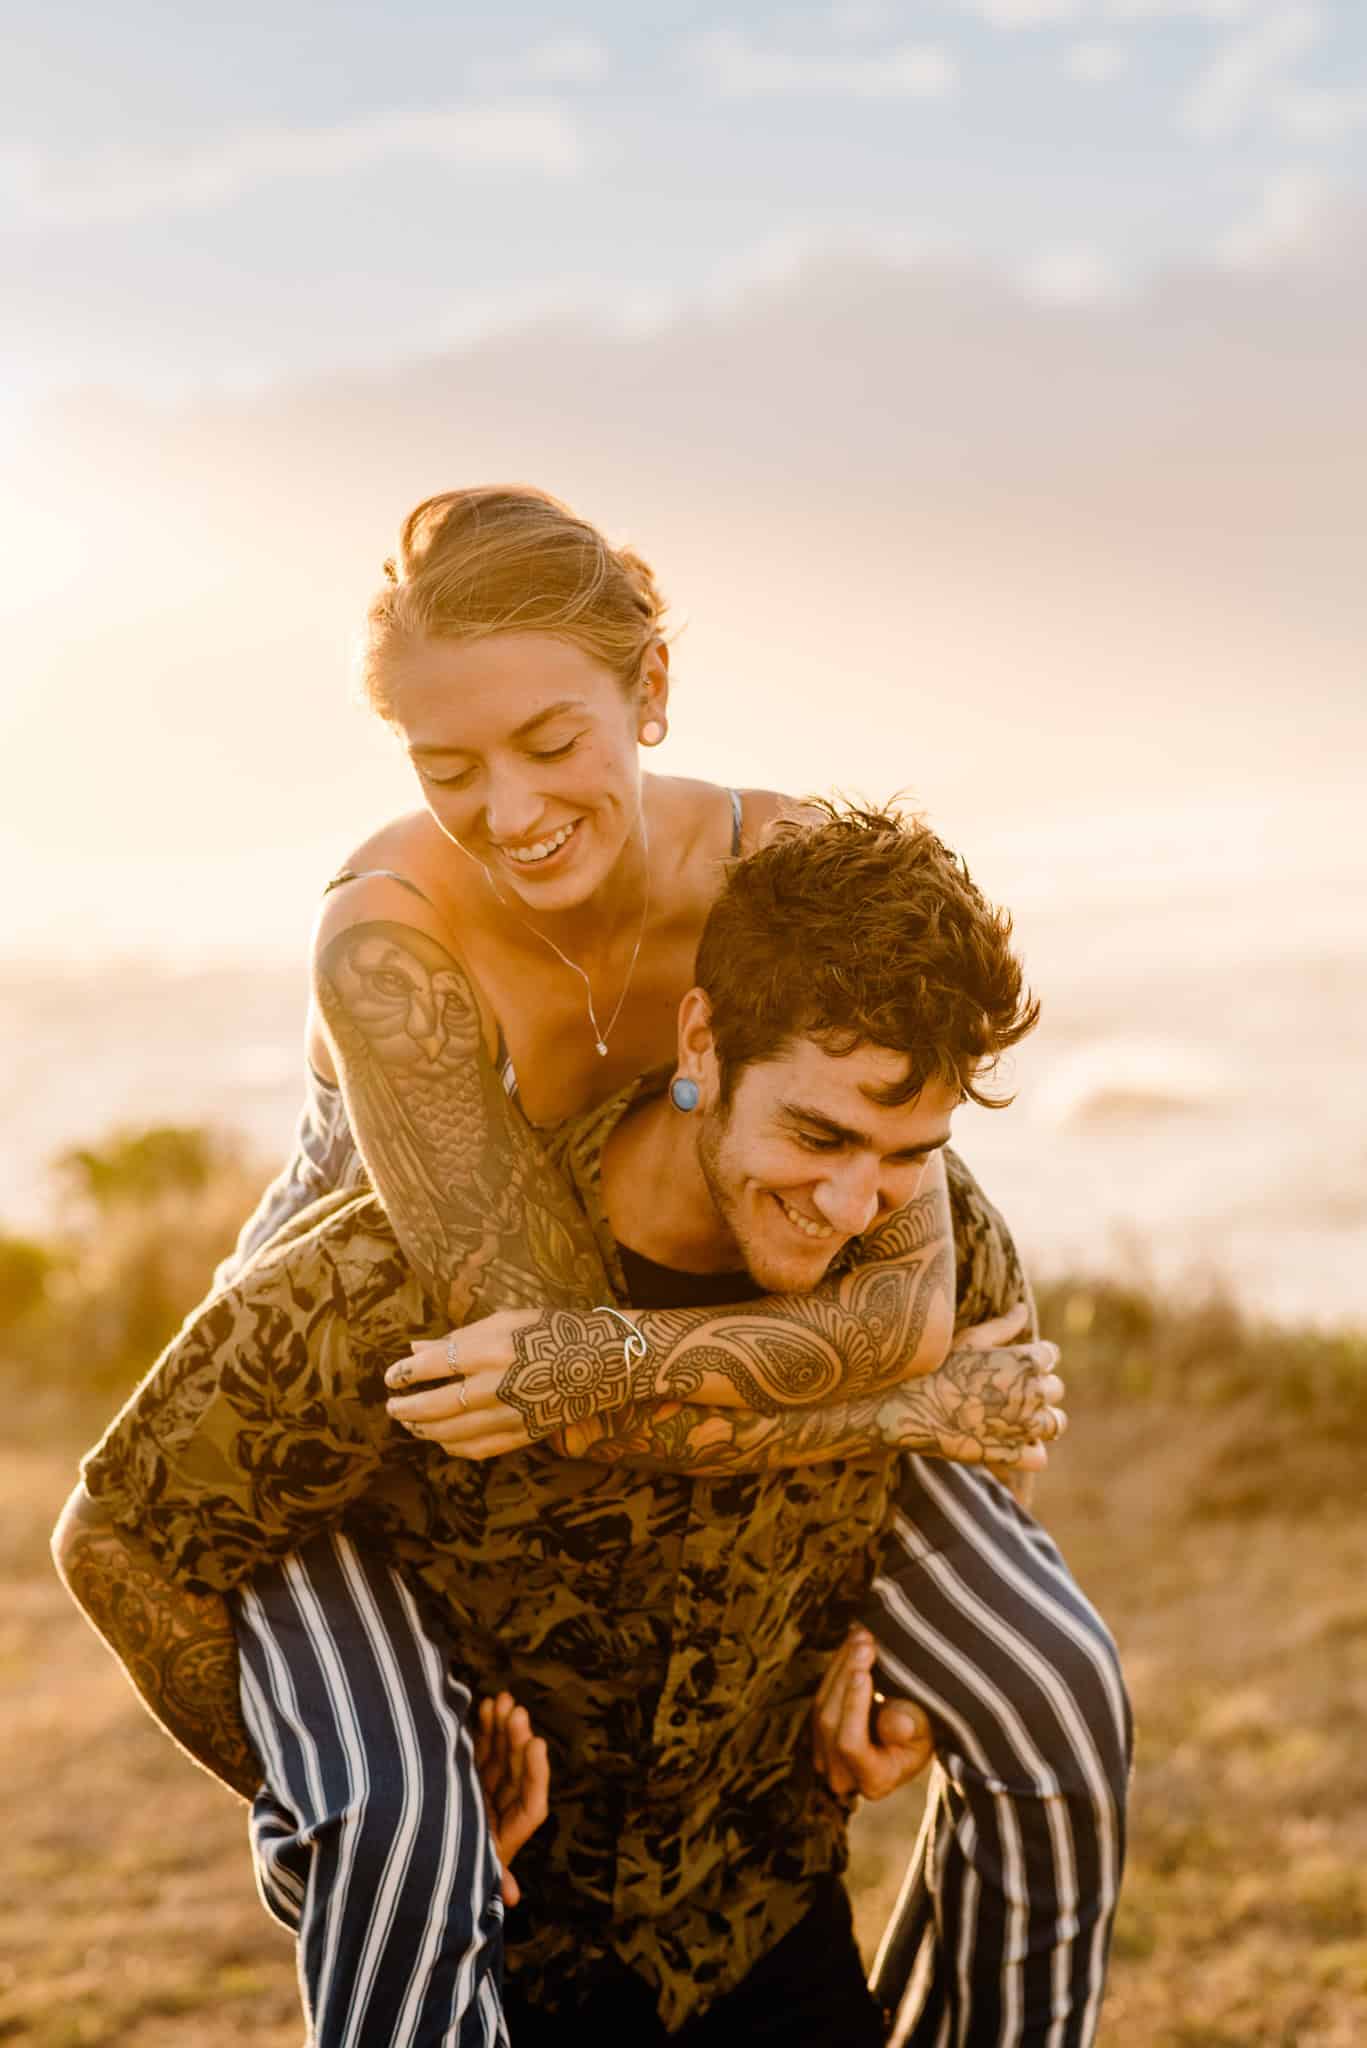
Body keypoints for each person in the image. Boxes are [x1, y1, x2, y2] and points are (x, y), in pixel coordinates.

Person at [65, 487, 1129, 2043]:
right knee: (389, 1780)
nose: (507, 810)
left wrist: (877, 1542)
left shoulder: (795, 874)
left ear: (651, 692)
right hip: (428, 1215)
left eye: (551, 744)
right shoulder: (392, 943)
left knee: (1056, 1683)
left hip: (712, 1178)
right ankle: (377, 1865)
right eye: (449, 769)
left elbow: (899, 1307)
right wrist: (905, 1411)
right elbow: (558, 1364)